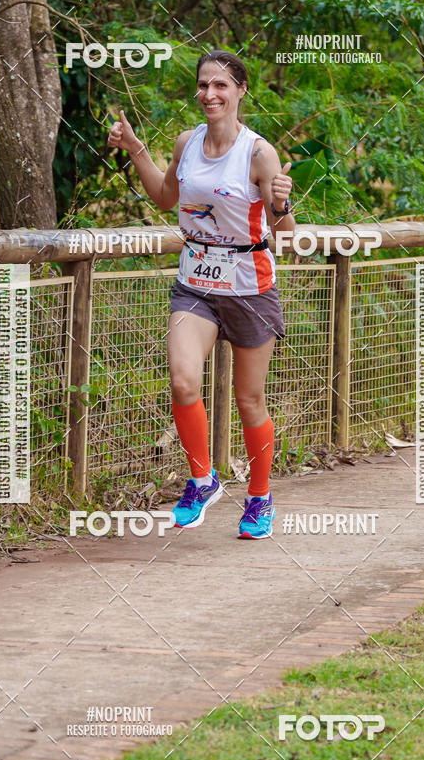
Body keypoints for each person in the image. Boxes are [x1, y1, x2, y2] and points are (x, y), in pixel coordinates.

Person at [107, 49, 294, 539]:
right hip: (196, 284)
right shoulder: (186, 142)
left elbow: (285, 229)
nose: (210, 94)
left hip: (250, 285)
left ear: (239, 92)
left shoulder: (258, 153)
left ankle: (259, 498)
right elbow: (167, 198)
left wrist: (282, 201)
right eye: (204, 84)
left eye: (221, 86)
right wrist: (135, 148)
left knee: (249, 400)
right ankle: (202, 479)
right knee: (183, 380)